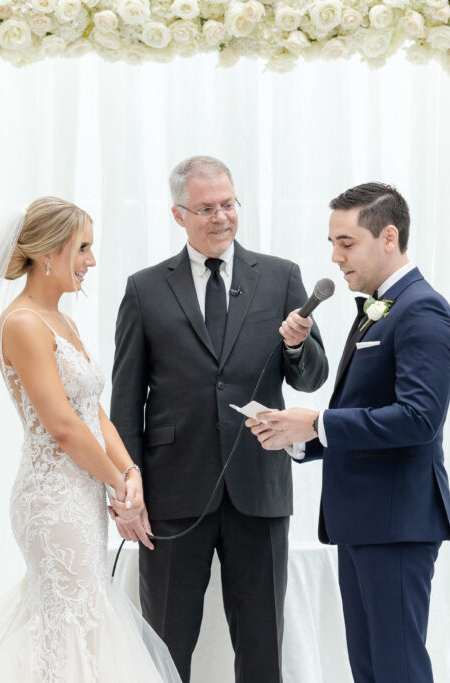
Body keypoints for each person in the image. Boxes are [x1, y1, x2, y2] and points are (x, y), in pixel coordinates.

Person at [110, 156, 329, 682]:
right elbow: (125, 403)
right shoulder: (144, 288)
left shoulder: (280, 277)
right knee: (164, 645)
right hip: (170, 496)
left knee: (261, 648)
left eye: (228, 204)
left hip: (258, 490)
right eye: (205, 208)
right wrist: (125, 489)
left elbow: (312, 378)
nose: (220, 217)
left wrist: (298, 349)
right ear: (178, 214)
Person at [0, 197, 180, 682]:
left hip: (83, 492)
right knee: (70, 617)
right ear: (50, 252)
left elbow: (92, 412)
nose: (91, 262)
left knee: (82, 614)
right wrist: (120, 485)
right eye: (83, 248)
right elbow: (62, 427)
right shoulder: (23, 323)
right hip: (52, 499)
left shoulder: (63, 322)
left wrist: (130, 474)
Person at [245, 183, 450, 683]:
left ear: (389, 236)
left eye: (346, 242)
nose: (336, 257)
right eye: (332, 243)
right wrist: (296, 437)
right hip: (364, 521)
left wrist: (318, 421)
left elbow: (418, 419)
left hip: (397, 523)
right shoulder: (375, 308)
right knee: (369, 670)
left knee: (398, 668)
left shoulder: (421, 309)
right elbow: (368, 413)